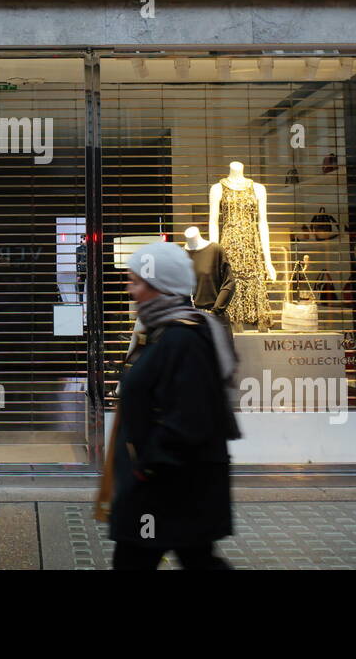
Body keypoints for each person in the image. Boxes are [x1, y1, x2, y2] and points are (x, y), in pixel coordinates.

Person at [97, 241, 241, 570]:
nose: (129, 288)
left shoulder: (183, 338)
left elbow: (190, 417)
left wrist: (146, 466)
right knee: (195, 557)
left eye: (135, 281)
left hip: (168, 485)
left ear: (158, 286)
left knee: (153, 558)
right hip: (170, 484)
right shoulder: (162, 331)